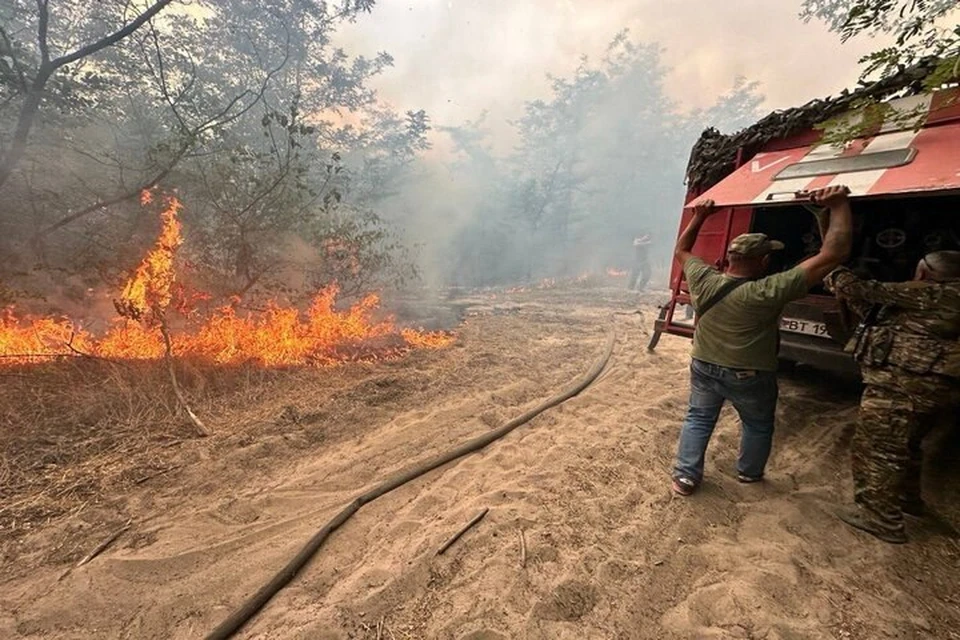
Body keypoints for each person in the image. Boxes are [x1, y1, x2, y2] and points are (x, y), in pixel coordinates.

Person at [671, 186, 854, 496]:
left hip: (702, 364)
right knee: (757, 424)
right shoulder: (770, 289)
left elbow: (682, 250)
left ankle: (685, 478)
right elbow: (833, 255)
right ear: (764, 261)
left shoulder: (703, 278)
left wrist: (699, 216)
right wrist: (838, 207)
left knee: (699, 417)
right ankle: (749, 474)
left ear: (729, 258)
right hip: (750, 374)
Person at [825, 251, 960, 543]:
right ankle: (907, 500)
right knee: (907, 445)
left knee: (878, 449)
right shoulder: (936, 302)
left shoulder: (933, 295)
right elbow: (881, 315)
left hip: (900, 390)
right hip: (929, 390)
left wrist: (832, 267)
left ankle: (881, 518)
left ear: (923, 273)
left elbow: (860, 289)